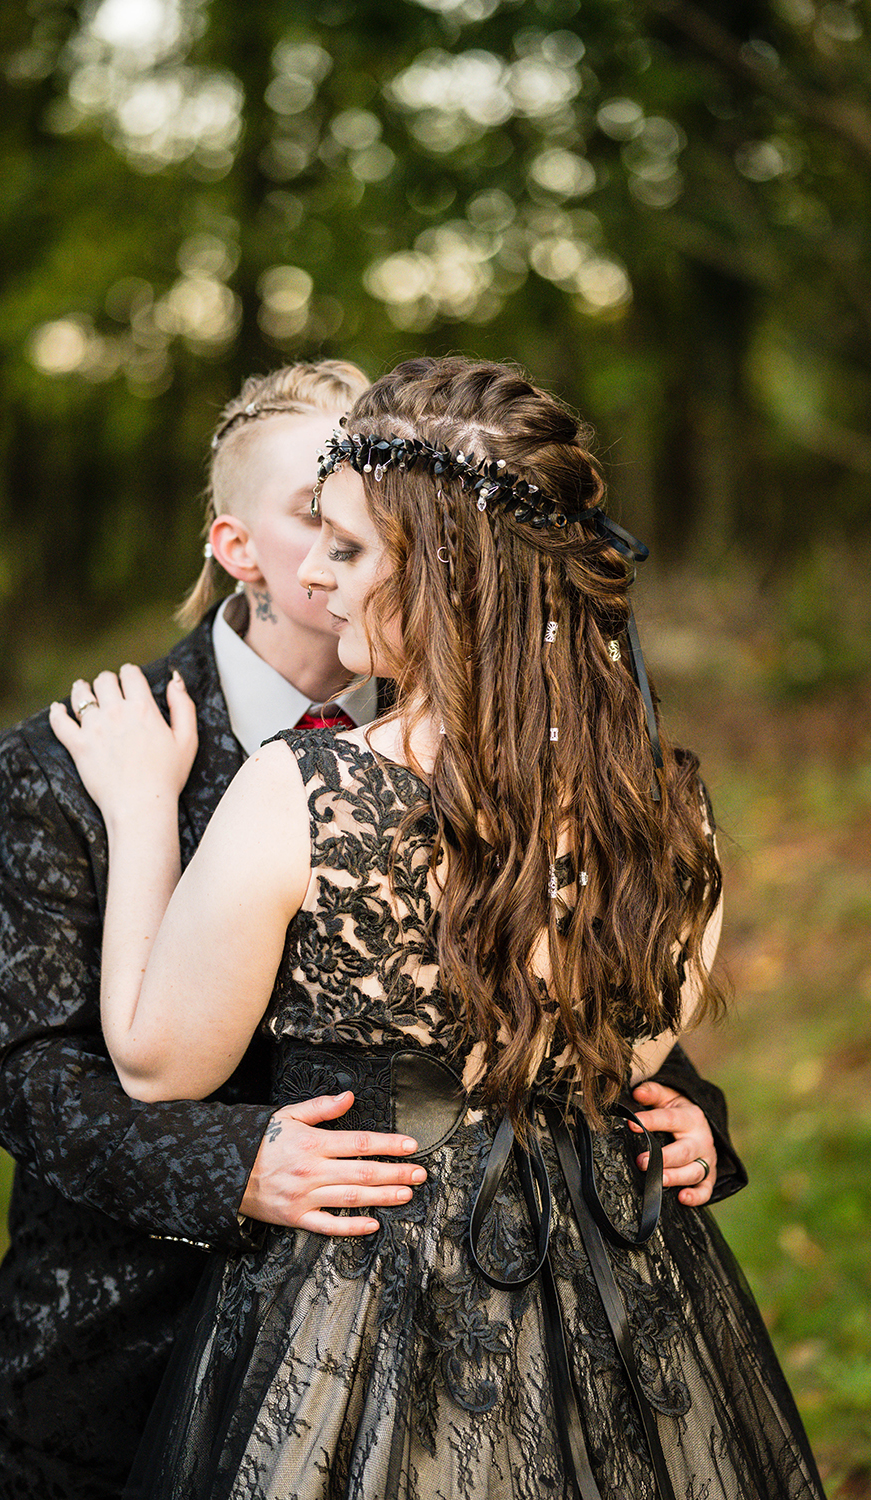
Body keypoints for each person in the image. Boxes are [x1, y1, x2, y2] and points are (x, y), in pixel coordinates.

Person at [50, 356, 816, 1500]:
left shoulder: (302, 790)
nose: (319, 575)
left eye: (350, 550)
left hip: (356, 1308)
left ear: (450, 577)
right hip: (626, 1303)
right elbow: (638, 1063)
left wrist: (139, 816)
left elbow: (161, 1065)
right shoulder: (672, 802)